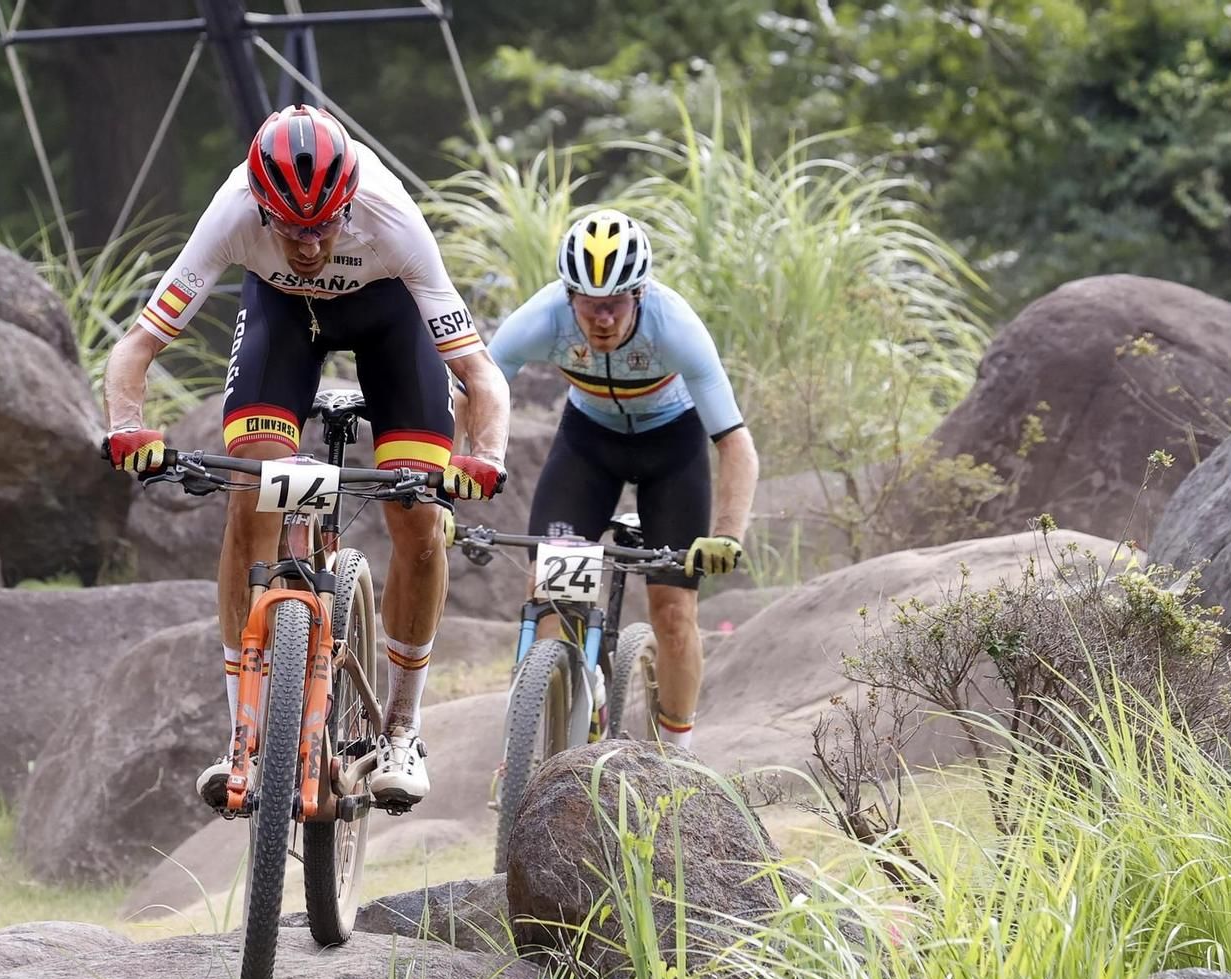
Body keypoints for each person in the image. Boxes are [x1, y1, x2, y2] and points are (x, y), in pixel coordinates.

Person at [101, 104, 511, 808]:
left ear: (348, 202)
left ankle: (401, 729)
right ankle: (244, 730)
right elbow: (137, 347)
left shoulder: (392, 218)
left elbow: (480, 375)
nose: (310, 245)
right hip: (283, 319)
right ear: (260, 207)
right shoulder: (231, 209)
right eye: (291, 227)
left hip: (391, 322)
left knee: (417, 520)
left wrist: (484, 455)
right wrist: (126, 428)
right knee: (252, 491)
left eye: (324, 225)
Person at [486, 208, 758, 746]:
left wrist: (727, 535)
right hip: (588, 446)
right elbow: (476, 387)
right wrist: (470, 457)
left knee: (673, 609)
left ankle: (677, 762)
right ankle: (541, 744)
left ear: (639, 294)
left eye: (614, 304)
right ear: (569, 297)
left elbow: (735, 443)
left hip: (672, 450)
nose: (602, 319)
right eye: (589, 305)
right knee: (552, 593)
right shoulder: (539, 319)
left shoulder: (675, 327)